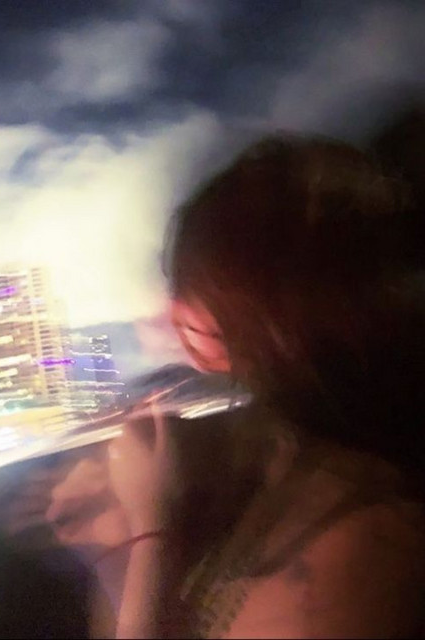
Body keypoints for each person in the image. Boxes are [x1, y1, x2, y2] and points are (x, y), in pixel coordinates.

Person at [107, 135, 425, 638]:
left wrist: (150, 529)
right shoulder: (298, 464)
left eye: (201, 284)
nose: (172, 312)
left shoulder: (364, 550)